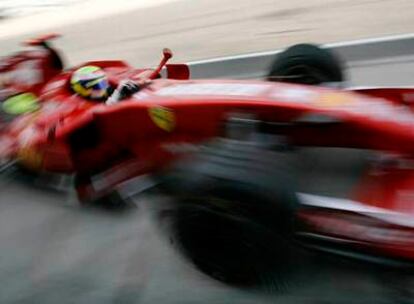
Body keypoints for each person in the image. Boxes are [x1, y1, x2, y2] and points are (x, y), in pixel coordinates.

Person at [70, 65, 144, 105]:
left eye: (104, 82)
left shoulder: (106, 90)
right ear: (84, 90)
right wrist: (118, 94)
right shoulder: (83, 104)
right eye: (98, 85)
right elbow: (102, 108)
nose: (103, 87)